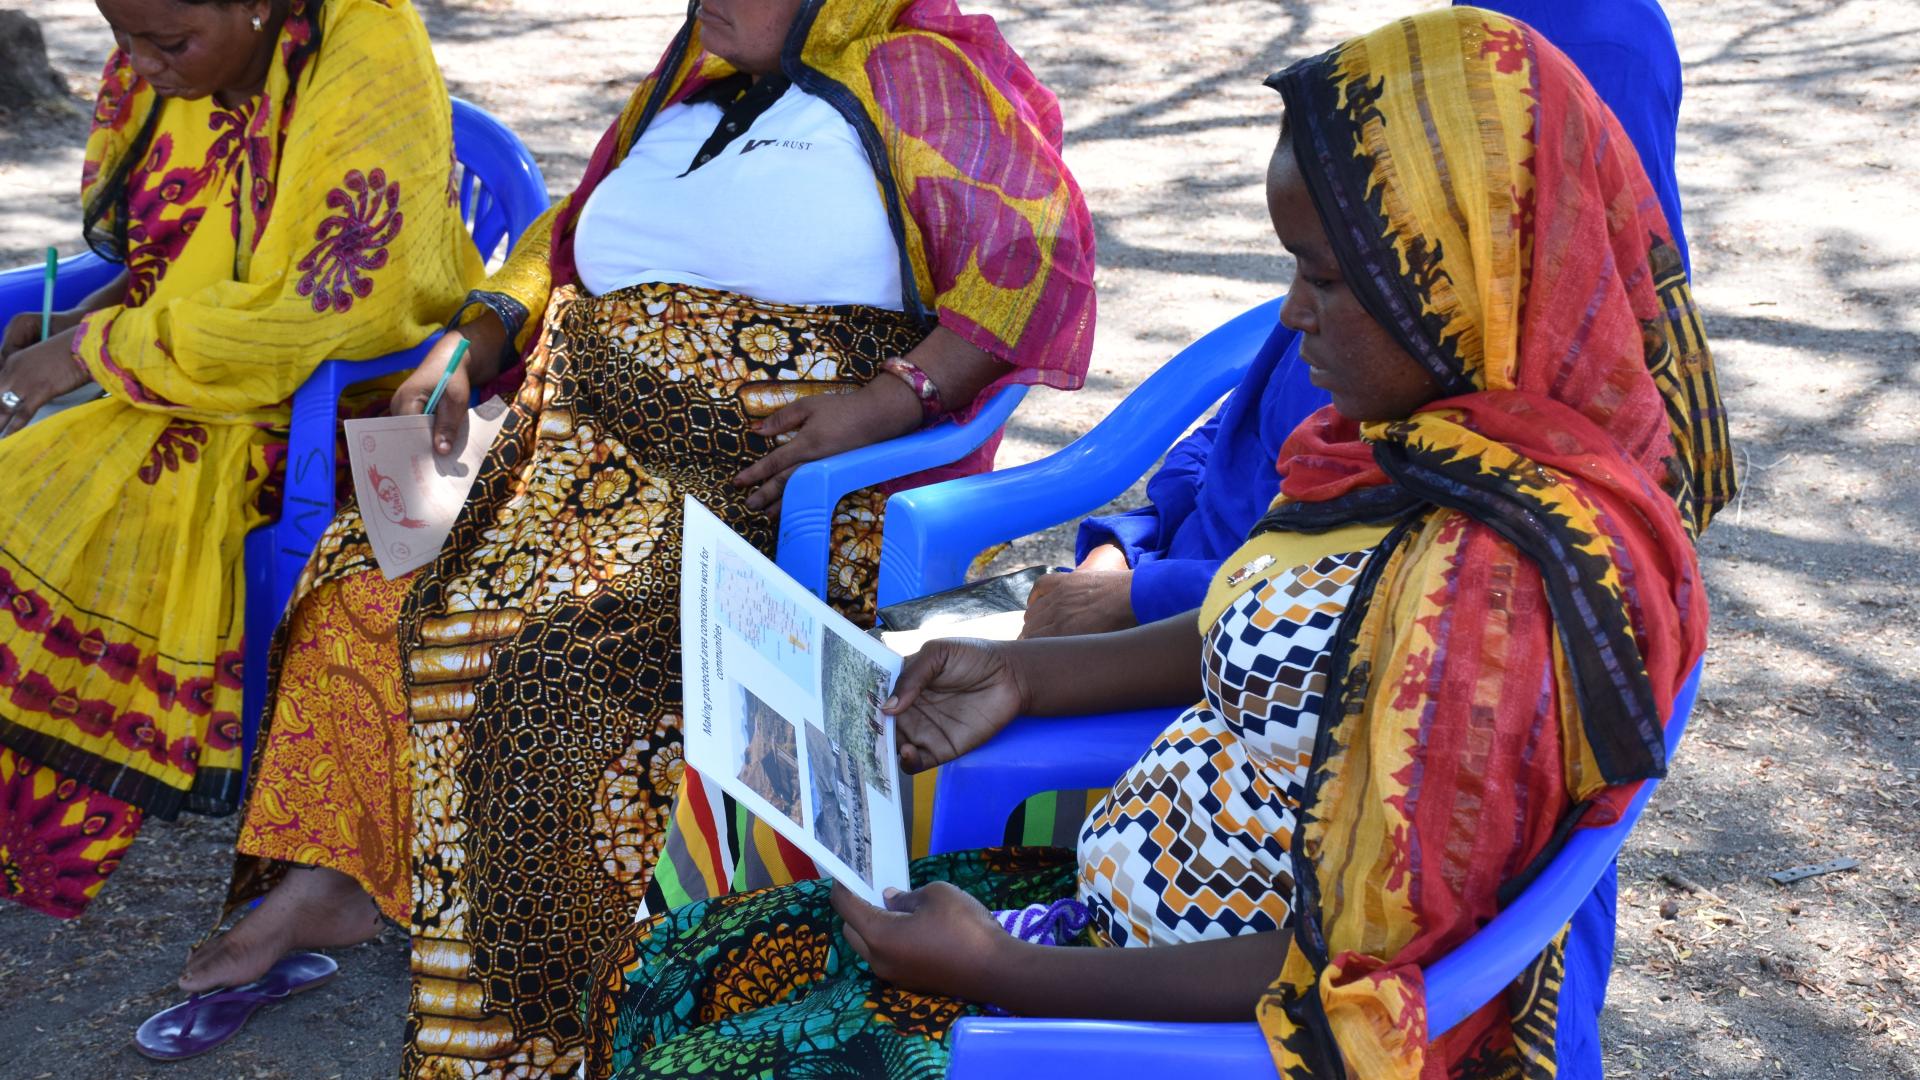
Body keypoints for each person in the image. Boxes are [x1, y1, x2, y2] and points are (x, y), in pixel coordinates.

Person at [581, 8, 1734, 1078]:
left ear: (1467, 276)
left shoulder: (1494, 594)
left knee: (691, 1038)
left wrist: (999, 973)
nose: (1288, 316)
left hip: (1155, 1022)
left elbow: (1342, 981)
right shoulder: (1417, 449)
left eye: (1328, 279)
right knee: (664, 971)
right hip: (1108, 925)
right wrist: (1024, 675)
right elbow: (1277, 642)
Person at [181, 0, 1096, 1075]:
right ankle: (334, 882)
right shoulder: (692, 78)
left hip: (754, 473)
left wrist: (891, 402)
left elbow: (1032, 263)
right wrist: (468, 347)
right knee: (358, 580)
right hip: (575, 440)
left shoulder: (920, 71)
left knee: (532, 656)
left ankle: (530, 1030)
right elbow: (567, 238)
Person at [0, 0, 477, 920]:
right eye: (121, 36)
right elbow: (187, 260)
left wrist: (87, 354)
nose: (139, 68)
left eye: (169, 43)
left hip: (332, 401)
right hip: (199, 367)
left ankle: (41, 819)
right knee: (40, 481)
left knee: (38, 495)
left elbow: (329, 309)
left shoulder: (367, 49)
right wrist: (83, 322)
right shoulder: (179, 53)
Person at [1023, 0, 1692, 642]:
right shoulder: (1359, 305)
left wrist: (1130, 600)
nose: (1291, 308)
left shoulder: (1475, 472)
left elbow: (1326, 612)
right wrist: (1122, 550)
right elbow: (1228, 441)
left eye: (1317, 276)